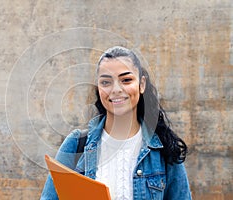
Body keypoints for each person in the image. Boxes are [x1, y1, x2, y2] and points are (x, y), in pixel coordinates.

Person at [40, 46, 191, 199]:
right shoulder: (76, 144)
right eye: (106, 82)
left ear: (142, 84)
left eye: (126, 80)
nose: (116, 89)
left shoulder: (164, 150)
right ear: (98, 88)